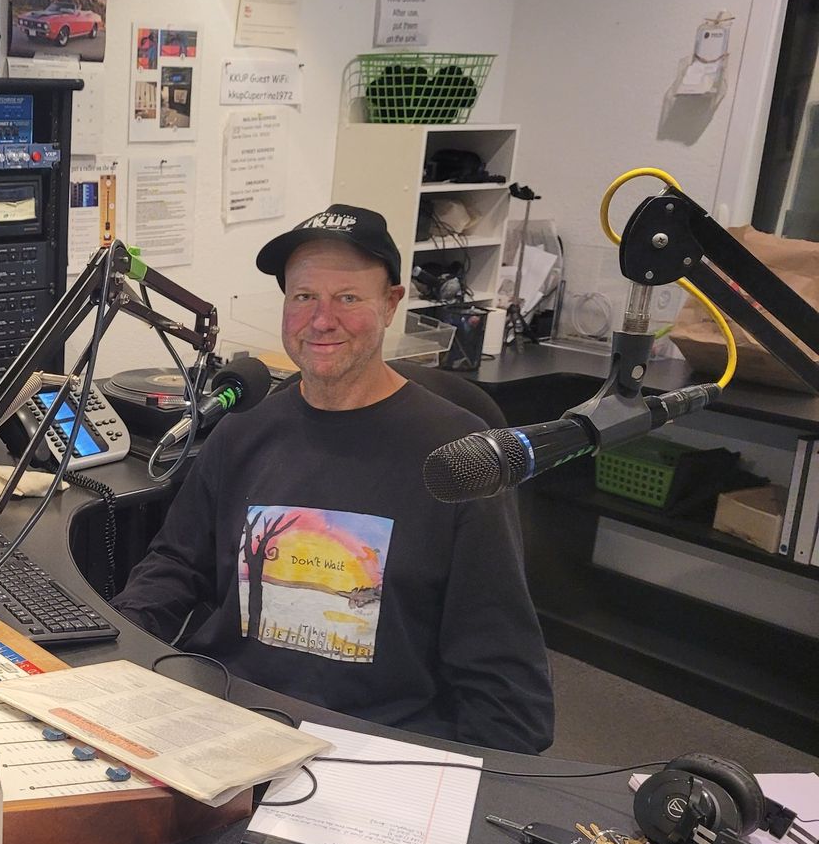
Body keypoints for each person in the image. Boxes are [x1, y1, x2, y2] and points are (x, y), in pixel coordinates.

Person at [112, 204, 554, 753]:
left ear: (390, 304)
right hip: (228, 720)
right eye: (303, 297)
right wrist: (112, 645)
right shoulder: (243, 429)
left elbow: (502, 675)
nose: (321, 320)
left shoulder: (459, 455)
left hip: (370, 747)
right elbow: (176, 566)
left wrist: (474, 782)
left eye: (347, 298)